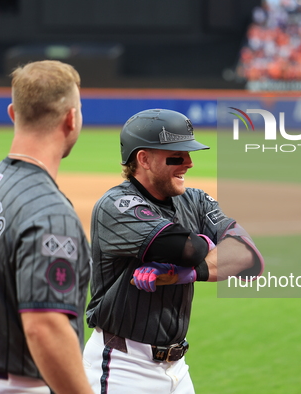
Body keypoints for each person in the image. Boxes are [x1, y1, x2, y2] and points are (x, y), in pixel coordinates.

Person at [83, 108, 264, 393]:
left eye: (189, 153)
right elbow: (187, 248)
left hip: (178, 368)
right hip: (122, 367)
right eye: (177, 155)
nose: (189, 163)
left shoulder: (195, 200)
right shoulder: (116, 206)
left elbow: (248, 256)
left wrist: (187, 274)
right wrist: (208, 243)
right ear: (143, 158)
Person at [0, 60, 93, 394]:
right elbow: (44, 328)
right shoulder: (50, 211)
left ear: (13, 113)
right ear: (71, 119)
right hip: (16, 385)